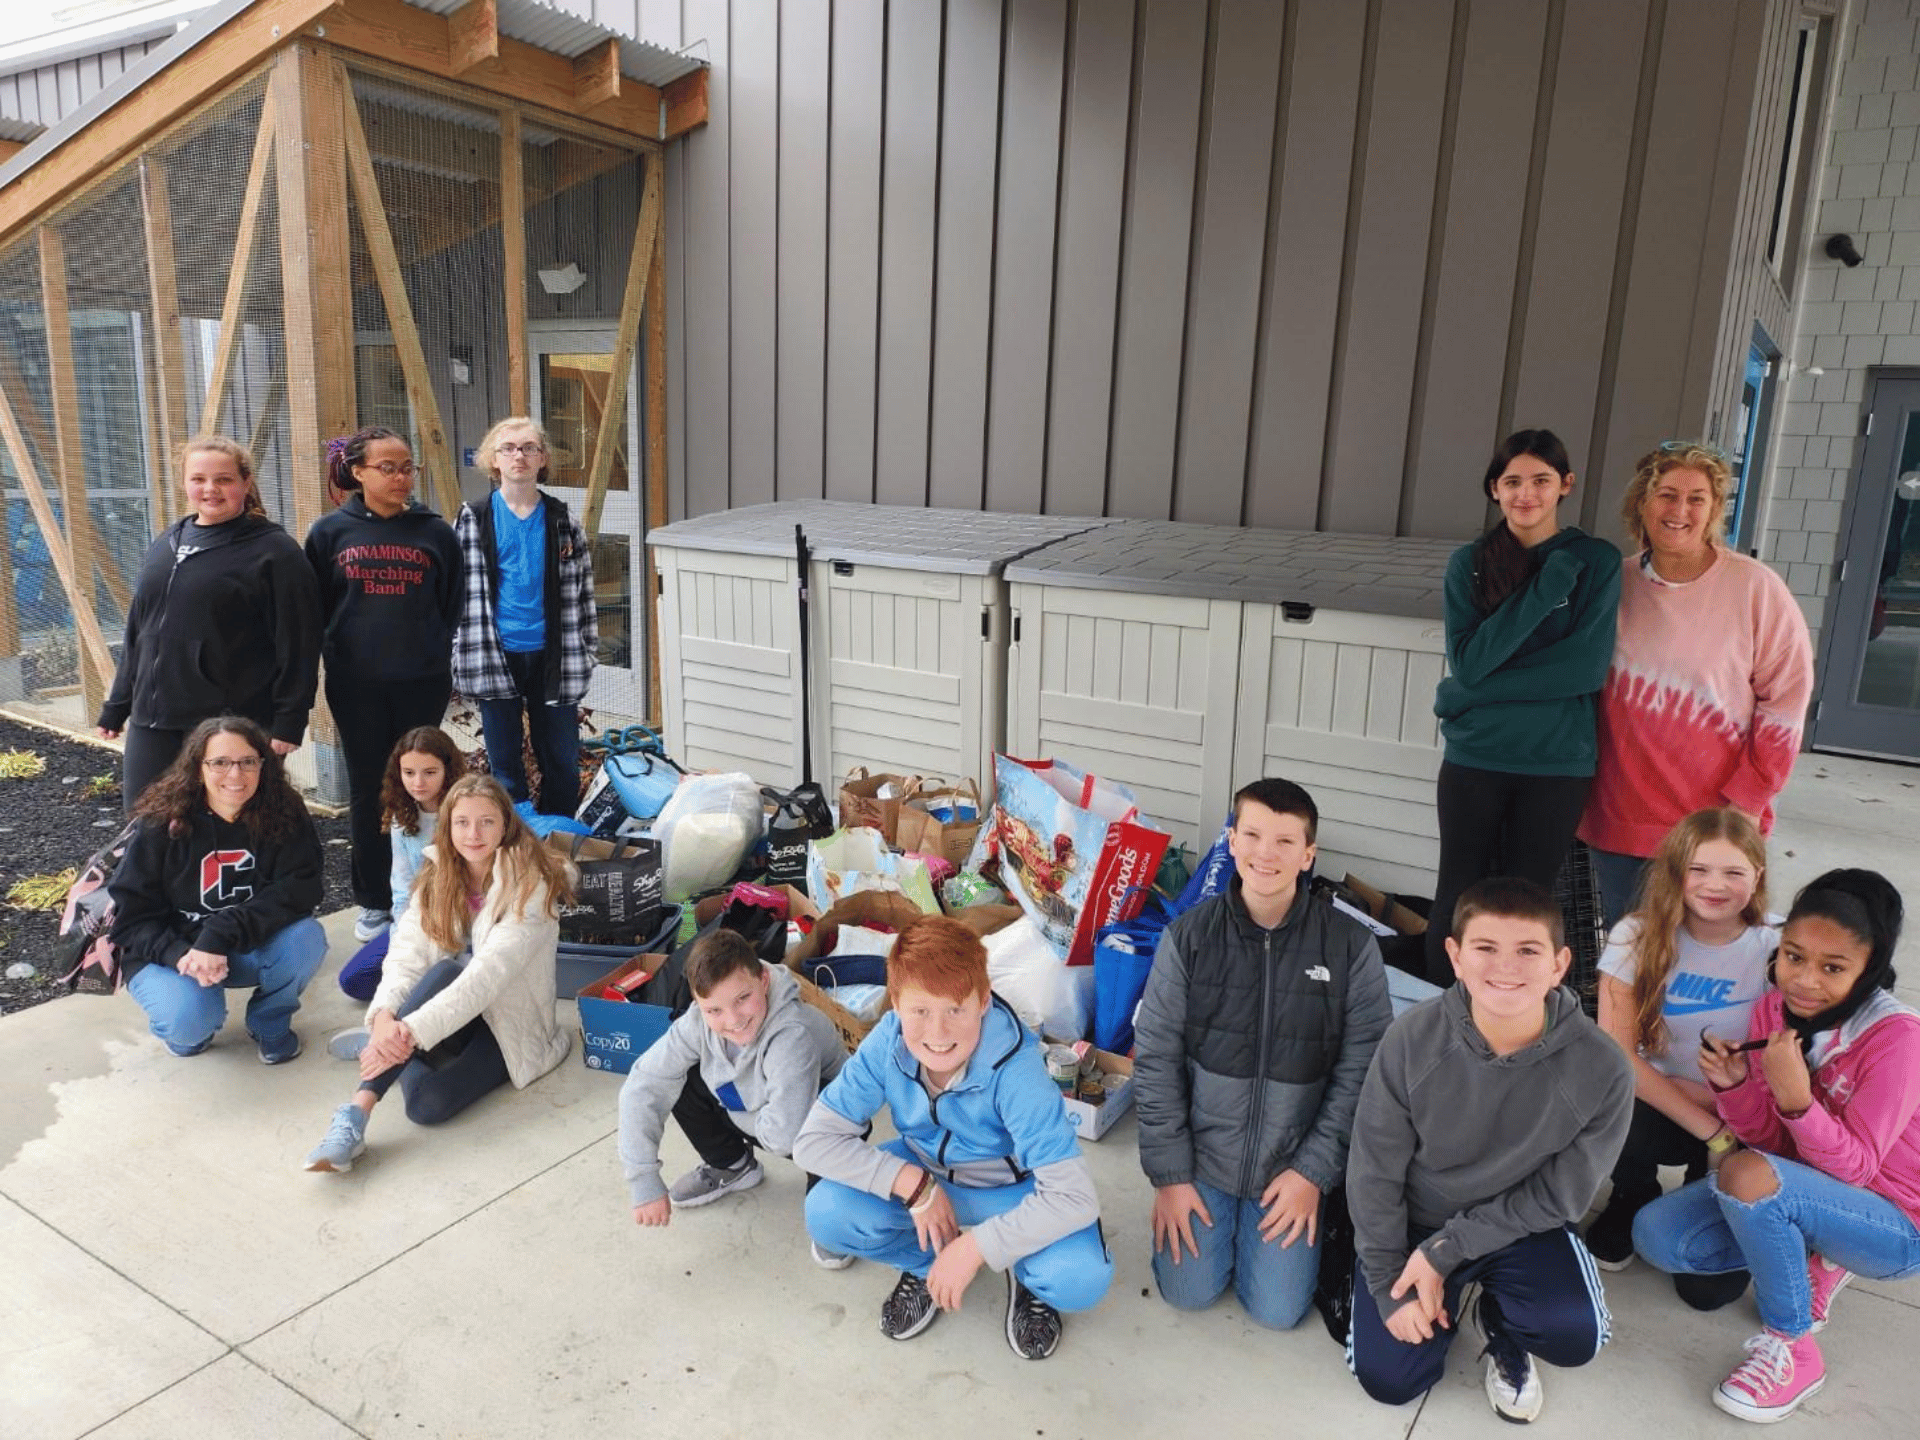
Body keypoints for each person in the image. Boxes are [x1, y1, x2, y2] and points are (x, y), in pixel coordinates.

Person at [1632, 870, 1918, 1424]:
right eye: (1793, 957)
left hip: (1895, 1223)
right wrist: (1735, 1085)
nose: (1805, 982)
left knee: (1746, 1174)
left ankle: (1794, 1348)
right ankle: (1812, 1251)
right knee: (1659, 1236)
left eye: (1833, 967)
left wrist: (1797, 1099)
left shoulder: (1898, 1038)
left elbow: (1856, 1169)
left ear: (1870, 969)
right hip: (1799, 1184)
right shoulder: (1772, 1012)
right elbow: (1766, 1140)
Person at [1346, 877, 1633, 1424]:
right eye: (1485, 948)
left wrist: (1447, 1252)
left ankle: (1503, 1324)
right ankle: (1420, 1293)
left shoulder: (1603, 1067)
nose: (1507, 967)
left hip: (1522, 1224)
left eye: (1529, 950)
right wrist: (1387, 1279)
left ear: (1560, 963)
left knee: (1575, 1336)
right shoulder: (1410, 1039)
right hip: (1419, 1220)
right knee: (1390, 1380)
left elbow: (1562, 1195)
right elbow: (1373, 1169)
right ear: (1454, 956)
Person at [1133, 776, 1392, 1330]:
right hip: (1203, 1159)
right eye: (1251, 834)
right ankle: (1209, 1213)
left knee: (1277, 1311)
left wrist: (1313, 1172)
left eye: (1284, 841)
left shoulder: (1349, 947)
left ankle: (1314, 1221)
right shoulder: (1190, 937)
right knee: (1189, 1293)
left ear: (1309, 854)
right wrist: (1170, 1177)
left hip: (1291, 1162)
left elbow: (1363, 1069)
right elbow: (1155, 1058)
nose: (1265, 853)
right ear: (1230, 840)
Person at [795, 915, 1113, 1360]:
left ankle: (1022, 1273)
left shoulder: (1017, 1072)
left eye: (955, 1009)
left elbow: (1074, 1197)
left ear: (983, 1001)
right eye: (920, 1011)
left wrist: (979, 1246)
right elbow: (813, 1141)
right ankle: (925, 1264)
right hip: (929, 1173)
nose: (938, 1034)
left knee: (1078, 1279)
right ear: (896, 1005)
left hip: (1015, 1189)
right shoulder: (886, 1044)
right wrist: (913, 1185)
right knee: (826, 1212)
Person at [1578, 442, 1814, 925]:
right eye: (1666, 494)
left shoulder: (1754, 588)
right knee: (1634, 958)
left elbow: (1786, 700)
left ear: (1714, 510)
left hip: (1716, 824)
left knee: (1708, 963)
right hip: (1619, 813)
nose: (1679, 510)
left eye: (1696, 498)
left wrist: (1747, 798)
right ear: (1641, 503)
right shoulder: (1612, 584)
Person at [1425, 430, 1621, 985]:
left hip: (1555, 766)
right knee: (1459, 896)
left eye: (1540, 480)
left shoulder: (1595, 561)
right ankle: (1438, 1016)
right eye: (1512, 481)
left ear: (1566, 485)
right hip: (1476, 760)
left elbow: (1583, 669)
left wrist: (1470, 693)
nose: (1526, 493)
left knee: (1527, 903)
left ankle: (1511, 1017)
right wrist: (1544, 590)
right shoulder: (1471, 565)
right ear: (1494, 489)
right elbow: (1469, 659)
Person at [304, 775, 575, 1172]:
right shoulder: (438, 874)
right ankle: (355, 1113)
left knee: (428, 1107)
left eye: (487, 822)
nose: (474, 834)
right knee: (443, 971)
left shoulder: (531, 884)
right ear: (447, 826)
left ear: (506, 825)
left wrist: (402, 1033)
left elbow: (486, 977)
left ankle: (382, 1048)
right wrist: (383, 1015)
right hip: (445, 1006)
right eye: (462, 822)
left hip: (508, 1020)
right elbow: (407, 955)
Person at [1585, 808, 1776, 1303]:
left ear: (1757, 877)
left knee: (1707, 1293)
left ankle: (1707, 1191)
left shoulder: (1776, 946)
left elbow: (1798, 1048)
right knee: (1607, 1094)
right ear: (1675, 872)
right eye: (1699, 869)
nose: (1716, 885)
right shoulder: (1637, 935)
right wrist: (1709, 1127)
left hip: (1746, 1110)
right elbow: (1617, 1056)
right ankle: (1632, 1192)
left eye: (1734, 872)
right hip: (1659, 1105)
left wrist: (1728, 1108)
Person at [97, 437, 320, 810]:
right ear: (184, 483)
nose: (210, 489)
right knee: (147, 827)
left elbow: (299, 643)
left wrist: (288, 722)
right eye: (198, 478)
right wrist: (118, 704)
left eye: (224, 479)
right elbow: (140, 631)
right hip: (155, 721)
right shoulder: (168, 541)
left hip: (229, 724)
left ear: (245, 484)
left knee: (231, 828)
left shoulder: (275, 553)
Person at [305, 427, 463, 943]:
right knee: (371, 788)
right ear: (358, 473)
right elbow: (318, 611)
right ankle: (374, 900)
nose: (401, 477)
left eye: (407, 467)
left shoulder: (436, 532)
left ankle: (429, 890)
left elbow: (452, 605)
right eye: (388, 467)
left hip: (422, 682)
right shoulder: (329, 534)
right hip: (356, 686)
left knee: (424, 787)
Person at [108, 716, 327, 1063]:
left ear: (263, 766)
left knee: (306, 939)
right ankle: (190, 1027)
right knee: (189, 1024)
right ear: (198, 768)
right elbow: (131, 921)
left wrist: (220, 933)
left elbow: (303, 887)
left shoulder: (283, 811)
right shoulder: (162, 821)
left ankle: (269, 1021)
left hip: (241, 942)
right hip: (174, 951)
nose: (235, 775)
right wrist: (182, 955)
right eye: (220, 762)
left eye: (247, 762)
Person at [618, 930, 848, 1247]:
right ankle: (733, 1164)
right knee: (675, 1077)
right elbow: (643, 1084)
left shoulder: (793, 1034)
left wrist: (735, 1107)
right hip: (759, 1110)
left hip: (819, 1122)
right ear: (698, 1004)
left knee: (831, 1113)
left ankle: (830, 1206)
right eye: (714, 1010)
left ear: (764, 980)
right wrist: (643, 1178)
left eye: (742, 998)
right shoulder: (697, 1022)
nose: (733, 1019)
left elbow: (785, 1137)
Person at [452, 418, 596, 817]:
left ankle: (557, 844)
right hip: (495, 654)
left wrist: (587, 649)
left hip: (554, 656)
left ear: (543, 458)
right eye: (509, 448)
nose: (520, 455)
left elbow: (584, 593)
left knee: (562, 765)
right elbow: (456, 594)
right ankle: (511, 850)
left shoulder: (563, 520)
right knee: (504, 768)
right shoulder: (473, 518)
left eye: (529, 447)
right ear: (493, 460)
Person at [335, 726, 467, 1005]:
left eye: (429, 772)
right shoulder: (401, 814)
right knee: (354, 981)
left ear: (448, 770)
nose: (418, 782)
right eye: (409, 773)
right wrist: (400, 943)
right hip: (419, 919)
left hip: (463, 921)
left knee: (441, 983)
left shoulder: (465, 810)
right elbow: (402, 885)